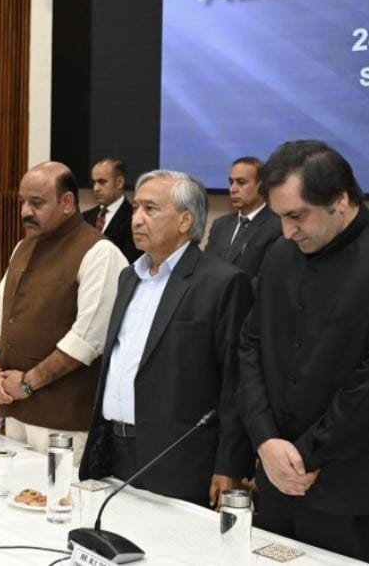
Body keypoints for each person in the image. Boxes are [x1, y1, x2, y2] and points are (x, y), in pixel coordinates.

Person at [236, 140, 369, 565]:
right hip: (281, 484)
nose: (288, 231)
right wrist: (265, 439)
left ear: (341, 199)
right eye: (280, 217)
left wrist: (305, 455)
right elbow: (251, 345)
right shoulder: (279, 255)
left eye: (298, 216)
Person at [79, 170, 253, 507]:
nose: (137, 219)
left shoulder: (222, 283)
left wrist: (230, 464)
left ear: (185, 220)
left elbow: (236, 381)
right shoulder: (129, 276)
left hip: (178, 457)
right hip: (115, 448)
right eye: (136, 208)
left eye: (151, 209)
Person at [0, 162, 127, 457]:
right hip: (16, 409)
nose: (25, 212)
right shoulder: (22, 247)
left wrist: (28, 383)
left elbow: (86, 340)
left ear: (67, 203)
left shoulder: (100, 253)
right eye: (22, 202)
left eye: (37, 203)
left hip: (65, 422)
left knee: (57, 488)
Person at [204, 156, 281, 283]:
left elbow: (266, 280)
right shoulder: (220, 224)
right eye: (231, 182)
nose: (232, 189)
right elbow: (205, 267)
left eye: (241, 182)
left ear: (262, 186)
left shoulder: (276, 227)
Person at [82, 158, 141, 263]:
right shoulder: (84, 218)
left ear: (119, 182)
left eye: (102, 182)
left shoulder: (134, 219)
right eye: (94, 182)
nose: (96, 188)